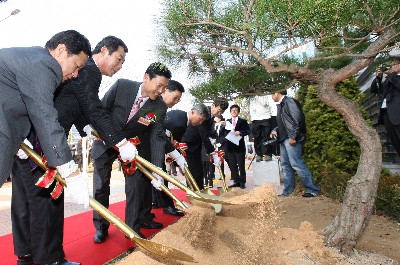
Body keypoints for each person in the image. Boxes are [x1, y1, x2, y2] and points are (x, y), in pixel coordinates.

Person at [11, 35, 132, 265]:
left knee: (25, 201)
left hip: (28, 137)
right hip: (42, 141)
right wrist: (121, 142)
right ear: (104, 51)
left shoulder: (79, 70)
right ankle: (50, 259)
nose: (119, 66)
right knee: (47, 200)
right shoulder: (88, 69)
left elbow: (73, 102)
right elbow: (94, 108)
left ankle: (26, 255)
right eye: (119, 58)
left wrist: (83, 126)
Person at [0, 30, 92, 265]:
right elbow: (44, 114)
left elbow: (20, 105)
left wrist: (22, 138)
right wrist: (70, 171)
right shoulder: (46, 65)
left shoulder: (30, 59)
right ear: (61, 50)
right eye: (76, 65)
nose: (75, 74)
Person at [91, 62, 171, 242]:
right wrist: (104, 134)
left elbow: (157, 138)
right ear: (146, 77)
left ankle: (132, 229)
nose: (161, 91)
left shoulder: (159, 106)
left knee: (135, 187)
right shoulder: (122, 86)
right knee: (100, 187)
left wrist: (157, 172)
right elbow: (101, 110)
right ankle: (101, 227)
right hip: (105, 140)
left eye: (165, 88)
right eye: (159, 85)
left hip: (132, 148)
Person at [154, 103, 209, 216]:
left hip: (164, 149)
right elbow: (163, 138)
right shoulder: (179, 122)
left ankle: (157, 201)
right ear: (193, 112)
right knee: (161, 176)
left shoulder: (182, 119)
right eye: (200, 119)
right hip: (157, 149)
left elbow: (173, 141)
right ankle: (167, 206)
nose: (200, 122)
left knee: (159, 177)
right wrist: (176, 158)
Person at [270, 90, 321, 197]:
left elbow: (298, 119)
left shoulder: (289, 101)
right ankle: (287, 191)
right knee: (285, 165)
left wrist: (293, 136)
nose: (271, 96)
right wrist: (275, 129)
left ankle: (313, 189)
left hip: (291, 139)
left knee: (296, 163)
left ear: (278, 93)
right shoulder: (281, 105)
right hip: (284, 139)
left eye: (272, 94)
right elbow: (284, 123)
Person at [181, 99, 229, 189]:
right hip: (189, 144)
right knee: (193, 170)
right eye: (218, 110)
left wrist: (215, 136)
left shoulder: (211, 117)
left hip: (197, 144)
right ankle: (193, 191)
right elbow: (204, 134)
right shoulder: (203, 113)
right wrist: (212, 153)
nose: (219, 113)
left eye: (221, 112)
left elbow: (209, 132)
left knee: (199, 170)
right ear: (213, 105)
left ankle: (200, 190)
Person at [370, 55, 400, 157]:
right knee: (396, 142)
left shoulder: (395, 77)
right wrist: (378, 78)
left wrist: (394, 73)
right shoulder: (389, 79)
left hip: (398, 114)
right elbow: (374, 90)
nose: (390, 67)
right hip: (387, 114)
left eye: (393, 64)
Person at [225, 105, 251, 189]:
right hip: (230, 146)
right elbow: (223, 132)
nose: (234, 111)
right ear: (230, 112)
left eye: (236, 110)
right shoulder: (227, 121)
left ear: (238, 112)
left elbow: (248, 131)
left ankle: (242, 182)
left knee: (241, 165)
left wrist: (240, 132)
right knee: (232, 165)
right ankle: (236, 181)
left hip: (239, 146)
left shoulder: (243, 121)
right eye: (232, 110)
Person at [249, 95, 273, 162]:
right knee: (256, 138)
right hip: (255, 119)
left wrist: (256, 94)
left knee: (267, 137)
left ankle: (268, 154)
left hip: (265, 117)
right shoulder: (251, 95)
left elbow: (264, 102)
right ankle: (259, 155)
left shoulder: (263, 93)